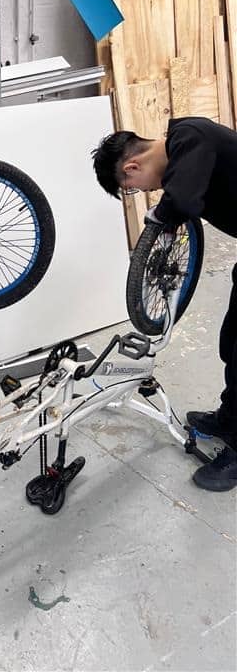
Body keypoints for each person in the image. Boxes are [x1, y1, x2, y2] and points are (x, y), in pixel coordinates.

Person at [91, 117, 237, 492]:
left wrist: (158, 216)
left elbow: (182, 202)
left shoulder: (190, 137)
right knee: (232, 340)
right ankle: (231, 418)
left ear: (131, 167)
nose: (142, 190)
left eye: (132, 188)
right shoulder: (185, 156)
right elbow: (185, 198)